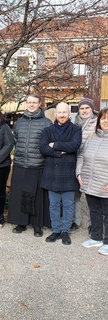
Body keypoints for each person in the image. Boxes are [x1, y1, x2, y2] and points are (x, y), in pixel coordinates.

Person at [8, 93, 52, 237]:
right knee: (20, 194)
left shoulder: (46, 122)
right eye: (29, 102)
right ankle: (21, 222)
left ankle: (37, 225)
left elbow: (49, 144)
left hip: (37, 164)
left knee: (36, 196)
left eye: (34, 102)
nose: (31, 105)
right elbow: (15, 140)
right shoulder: (20, 121)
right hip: (21, 163)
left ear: (40, 104)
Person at [40, 102, 81, 245]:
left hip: (68, 172)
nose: (62, 115)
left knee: (69, 204)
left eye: (64, 112)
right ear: (55, 114)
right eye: (59, 112)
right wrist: (61, 152)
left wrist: (55, 145)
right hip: (52, 172)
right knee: (54, 204)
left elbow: (74, 145)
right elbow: (43, 148)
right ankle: (56, 230)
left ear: (69, 113)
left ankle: (65, 232)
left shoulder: (76, 129)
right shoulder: (47, 130)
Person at [76, 108, 108, 255]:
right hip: (89, 182)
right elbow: (81, 156)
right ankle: (96, 237)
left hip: (105, 184)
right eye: (103, 118)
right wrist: (78, 173)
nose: (105, 121)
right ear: (99, 120)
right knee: (94, 211)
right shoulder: (91, 137)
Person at [72, 97, 97, 233]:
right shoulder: (75, 123)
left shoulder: (97, 123)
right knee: (75, 193)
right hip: (75, 160)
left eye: (87, 108)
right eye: (82, 108)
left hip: (91, 162)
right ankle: (76, 220)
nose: (84, 110)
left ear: (92, 109)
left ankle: (93, 223)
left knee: (92, 194)